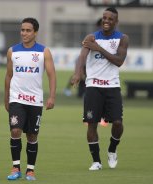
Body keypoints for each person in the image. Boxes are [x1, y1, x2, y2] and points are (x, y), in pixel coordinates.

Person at [71, 7, 129, 171]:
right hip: (93, 87)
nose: (106, 21)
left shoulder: (122, 39)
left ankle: (112, 149)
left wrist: (100, 49)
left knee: (117, 123)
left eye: (110, 19)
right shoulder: (91, 37)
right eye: (104, 18)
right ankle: (96, 161)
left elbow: (119, 61)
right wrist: (78, 73)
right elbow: (82, 56)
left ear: (116, 22)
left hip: (112, 86)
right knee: (92, 124)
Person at [4, 17, 56, 180]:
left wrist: (52, 96)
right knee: (15, 130)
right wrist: (6, 97)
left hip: (35, 100)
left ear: (35, 32)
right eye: (22, 30)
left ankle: (30, 170)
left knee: (32, 136)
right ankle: (15, 168)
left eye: (28, 30)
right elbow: (9, 75)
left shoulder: (43, 51)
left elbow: (51, 74)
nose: (24, 33)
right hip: (16, 99)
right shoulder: (12, 51)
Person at [63, 18, 102, 98]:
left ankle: (86, 92)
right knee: (79, 74)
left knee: (88, 76)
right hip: (85, 60)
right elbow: (84, 50)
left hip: (93, 62)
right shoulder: (93, 37)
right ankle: (68, 89)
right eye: (100, 26)